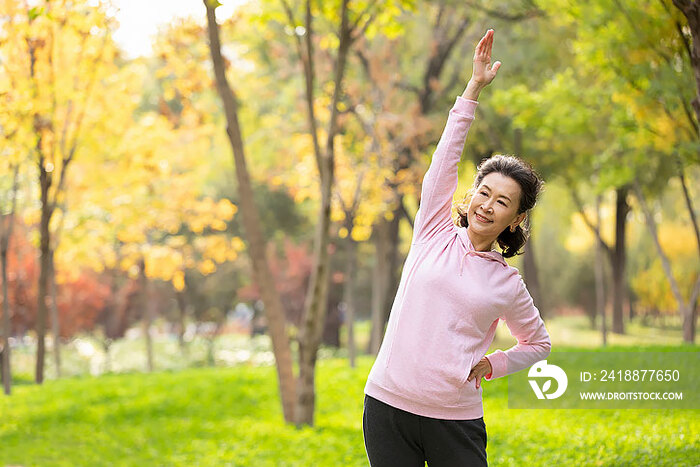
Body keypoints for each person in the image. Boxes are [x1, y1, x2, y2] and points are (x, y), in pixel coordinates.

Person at [362, 29, 551, 467]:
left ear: (515, 218)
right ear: (472, 194)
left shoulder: (506, 282)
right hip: (387, 405)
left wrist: (492, 366)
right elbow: (445, 160)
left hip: (455, 420)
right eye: (484, 192)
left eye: (502, 201)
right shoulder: (433, 232)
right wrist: (472, 90)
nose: (488, 205)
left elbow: (537, 343)